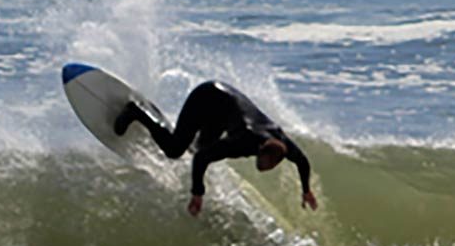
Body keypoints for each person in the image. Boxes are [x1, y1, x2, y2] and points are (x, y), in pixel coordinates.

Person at [116, 80, 318, 217]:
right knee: (175, 150)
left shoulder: (282, 143)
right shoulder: (243, 142)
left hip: (223, 111)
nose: (265, 169)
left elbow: (303, 161)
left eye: (270, 166)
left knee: (196, 147)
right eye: (265, 164)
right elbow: (202, 159)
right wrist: (197, 194)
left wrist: (306, 190)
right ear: (260, 151)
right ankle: (136, 111)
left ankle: (170, 130)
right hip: (206, 97)